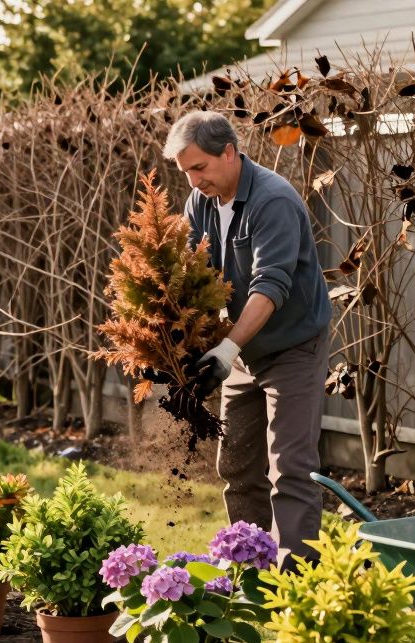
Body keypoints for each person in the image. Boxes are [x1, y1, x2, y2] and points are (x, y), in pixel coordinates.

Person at [163, 110, 332, 564]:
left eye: (200, 167)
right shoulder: (199, 202)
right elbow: (196, 277)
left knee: (291, 471)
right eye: (186, 173)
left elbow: (270, 286)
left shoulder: (271, 200)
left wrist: (229, 346)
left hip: (293, 347)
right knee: (236, 466)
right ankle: (249, 573)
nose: (194, 180)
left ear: (231, 152)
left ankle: (293, 591)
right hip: (241, 349)